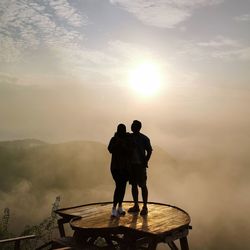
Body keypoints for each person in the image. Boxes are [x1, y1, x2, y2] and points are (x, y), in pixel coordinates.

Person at [128, 120, 152, 216]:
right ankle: (136, 205)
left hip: (140, 165)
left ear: (137, 127)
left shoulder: (144, 138)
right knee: (134, 185)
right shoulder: (130, 137)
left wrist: (145, 161)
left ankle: (144, 206)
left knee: (142, 185)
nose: (131, 127)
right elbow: (149, 151)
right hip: (132, 165)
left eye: (133, 125)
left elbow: (149, 150)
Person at [108, 123, 130, 217]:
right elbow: (110, 149)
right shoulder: (114, 139)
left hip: (124, 167)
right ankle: (114, 207)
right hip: (116, 167)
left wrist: (124, 145)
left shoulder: (127, 139)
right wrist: (118, 144)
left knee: (122, 187)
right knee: (119, 186)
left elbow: (130, 150)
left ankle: (119, 206)